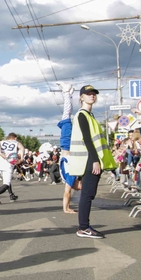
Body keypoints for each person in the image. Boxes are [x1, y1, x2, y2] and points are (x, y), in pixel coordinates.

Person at [67, 85, 117, 238]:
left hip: (90, 160)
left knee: (88, 194)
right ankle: (83, 228)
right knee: (87, 195)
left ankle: (84, 227)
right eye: (88, 94)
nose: (92, 96)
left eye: (94, 94)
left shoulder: (89, 115)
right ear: (81, 97)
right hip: (89, 160)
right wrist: (95, 160)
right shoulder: (82, 115)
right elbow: (87, 139)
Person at [55, 82, 82, 214]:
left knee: (67, 115)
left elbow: (66, 194)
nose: (81, 187)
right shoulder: (71, 177)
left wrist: (67, 209)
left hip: (68, 144)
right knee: (67, 115)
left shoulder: (71, 178)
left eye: (80, 187)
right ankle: (68, 94)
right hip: (69, 145)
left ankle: (66, 92)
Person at [0, 133, 24, 204]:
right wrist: (21, 158)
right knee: (6, 183)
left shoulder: (1, 141)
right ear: (15, 138)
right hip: (9, 160)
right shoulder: (16, 142)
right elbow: (22, 148)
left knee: (6, 179)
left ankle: (11, 195)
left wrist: (0, 152)